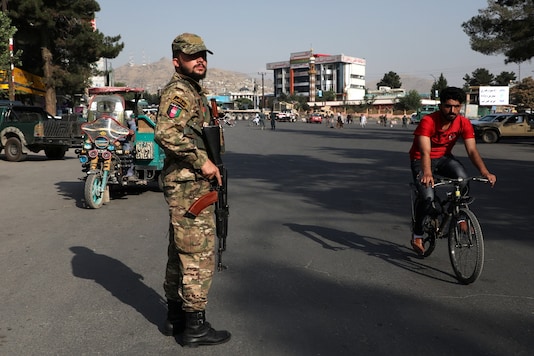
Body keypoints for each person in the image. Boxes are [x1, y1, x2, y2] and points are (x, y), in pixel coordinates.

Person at [154, 33, 231, 347]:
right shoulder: (180, 91)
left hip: (188, 185)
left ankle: (176, 318)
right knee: (198, 254)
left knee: (179, 252)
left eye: (203, 55)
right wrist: (203, 162)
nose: (200, 60)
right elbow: (164, 132)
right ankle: (195, 328)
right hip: (190, 185)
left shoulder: (193, 91)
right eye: (192, 56)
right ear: (177, 61)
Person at [408, 87, 496, 255]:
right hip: (421, 159)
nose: (452, 110)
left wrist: (485, 172)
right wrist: (427, 173)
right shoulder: (428, 121)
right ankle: (417, 233)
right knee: (427, 196)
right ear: (441, 105)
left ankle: (460, 216)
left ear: (461, 107)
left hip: (444, 158)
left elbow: (472, 151)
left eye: (456, 107)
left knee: (463, 179)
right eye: (448, 106)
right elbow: (425, 151)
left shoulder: (463, 122)